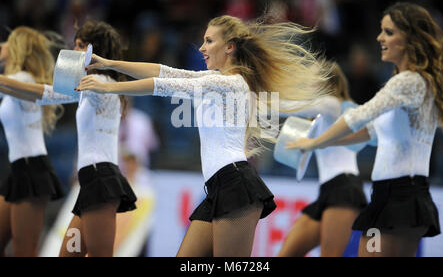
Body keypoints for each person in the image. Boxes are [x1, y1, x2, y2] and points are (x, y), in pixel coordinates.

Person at [76, 15, 329, 257]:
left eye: (209, 41)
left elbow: (162, 85)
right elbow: (163, 72)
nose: (201, 48)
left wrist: (108, 86)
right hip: (217, 188)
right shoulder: (214, 79)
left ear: (230, 47)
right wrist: (108, 63)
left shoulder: (231, 83)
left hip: (236, 186)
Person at [286, 2, 443, 257]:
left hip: (401, 195)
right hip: (397, 194)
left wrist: (314, 143)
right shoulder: (413, 82)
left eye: (389, 32)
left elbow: (360, 116)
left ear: (410, 39)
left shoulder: (408, 81)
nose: (379, 38)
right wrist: (326, 142)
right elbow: (370, 131)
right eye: (382, 31)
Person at [0, 21, 137, 257]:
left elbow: (42, 93)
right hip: (91, 182)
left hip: (101, 179)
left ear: (93, 51)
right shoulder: (90, 85)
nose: (73, 51)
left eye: (79, 46)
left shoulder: (101, 84)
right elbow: (45, 95)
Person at [277, 62, 367, 257]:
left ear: (326, 81)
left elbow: (289, 107)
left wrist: (253, 101)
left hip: (345, 188)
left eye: (312, 77)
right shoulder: (321, 116)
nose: (307, 82)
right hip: (327, 190)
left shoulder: (332, 104)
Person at [0, 27, 65, 257]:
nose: (2, 45)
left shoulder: (22, 79)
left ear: (17, 48)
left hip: (32, 170)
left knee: (24, 251)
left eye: (7, 42)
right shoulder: (15, 80)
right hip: (19, 170)